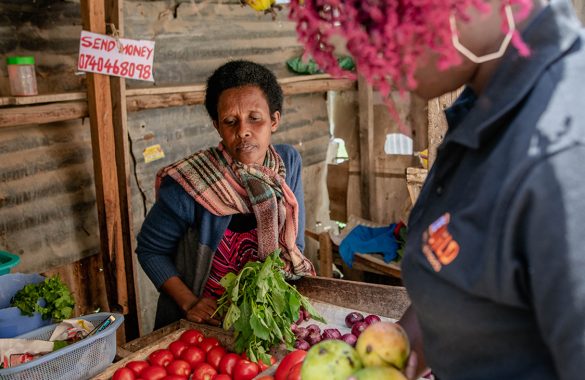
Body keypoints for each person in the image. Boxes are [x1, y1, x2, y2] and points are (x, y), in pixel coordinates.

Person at [290, 0, 585, 379]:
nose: (375, 54)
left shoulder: (563, 151)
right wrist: (405, 345)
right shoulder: (486, 103)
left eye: (387, 16)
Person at [136, 60, 315, 330]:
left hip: (265, 316)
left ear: (274, 121)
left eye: (255, 119)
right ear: (218, 127)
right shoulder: (190, 184)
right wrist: (190, 303)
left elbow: (293, 244)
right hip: (204, 322)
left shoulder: (287, 164)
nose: (242, 131)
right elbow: (150, 251)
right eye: (230, 121)